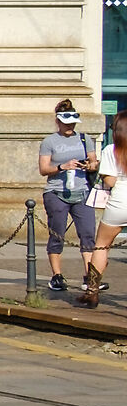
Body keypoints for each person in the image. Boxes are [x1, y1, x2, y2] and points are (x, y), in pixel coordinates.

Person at [39, 98, 99, 295]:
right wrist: (61, 167)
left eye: (72, 122)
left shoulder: (84, 138)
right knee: (57, 235)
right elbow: (43, 169)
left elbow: (94, 162)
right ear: (58, 121)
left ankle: (89, 277)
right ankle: (57, 276)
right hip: (57, 192)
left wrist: (89, 165)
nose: (70, 126)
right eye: (66, 122)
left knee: (88, 234)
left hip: (82, 191)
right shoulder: (49, 142)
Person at [81, 111, 127, 306]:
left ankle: (92, 291)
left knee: (101, 245)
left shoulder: (111, 150)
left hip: (119, 203)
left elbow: (110, 181)